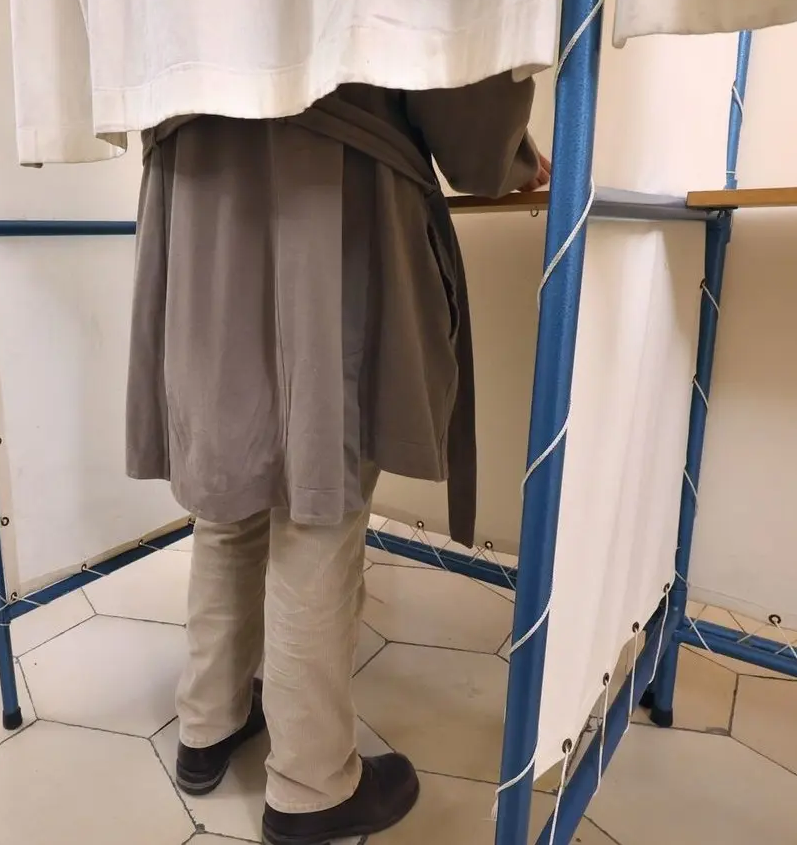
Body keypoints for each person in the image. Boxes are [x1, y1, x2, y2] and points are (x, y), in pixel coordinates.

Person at [127, 72, 548, 844]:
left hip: (193, 188)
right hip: (324, 182)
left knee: (230, 478)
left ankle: (208, 722)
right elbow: (458, 92)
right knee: (319, 497)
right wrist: (509, 155)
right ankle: (311, 785)